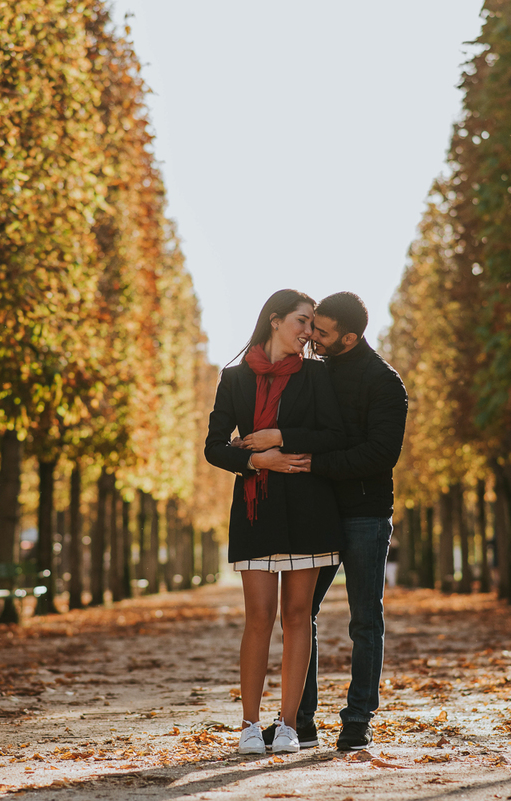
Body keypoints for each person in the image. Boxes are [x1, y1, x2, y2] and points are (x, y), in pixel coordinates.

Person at [251, 291, 407, 752]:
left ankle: (358, 717)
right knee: (302, 614)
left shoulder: (384, 382)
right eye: (310, 326)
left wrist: (314, 462)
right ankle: (300, 721)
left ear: (350, 337)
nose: (311, 336)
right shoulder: (310, 371)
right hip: (315, 508)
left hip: (364, 514)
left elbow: (380, 455)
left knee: (365, 618)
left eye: (321, 331)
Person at [204, 289, 346, 755]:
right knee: (259, 618)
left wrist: (281, 438)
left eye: (311, 325)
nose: (309, 333)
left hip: (309, 510)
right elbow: (214, 446)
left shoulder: (317, 376)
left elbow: (333, 434)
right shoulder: (234, 379)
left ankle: (288, 727)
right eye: (302, 322)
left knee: (298, 615)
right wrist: (261, 462)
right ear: (274, 320)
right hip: (255, 510)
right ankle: (249, 725)